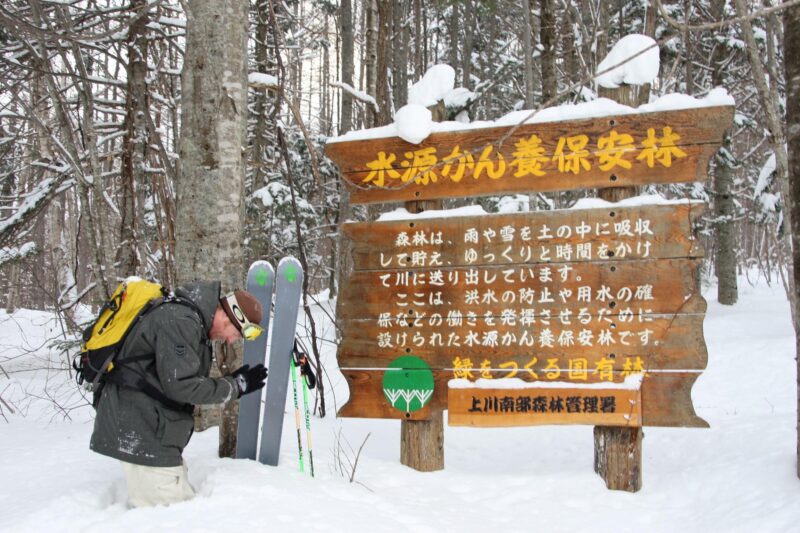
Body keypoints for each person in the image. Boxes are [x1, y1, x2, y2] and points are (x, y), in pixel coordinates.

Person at [90, 281, 268, 508]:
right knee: (169, 516)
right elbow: (181, 386)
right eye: (236, 333)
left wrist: (234, 385)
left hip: (151, 429)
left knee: (178, 510)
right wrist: (234, 387)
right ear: (227, 317)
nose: (231, 340)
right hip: (141, 429)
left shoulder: (190, 321)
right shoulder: (181, 321)